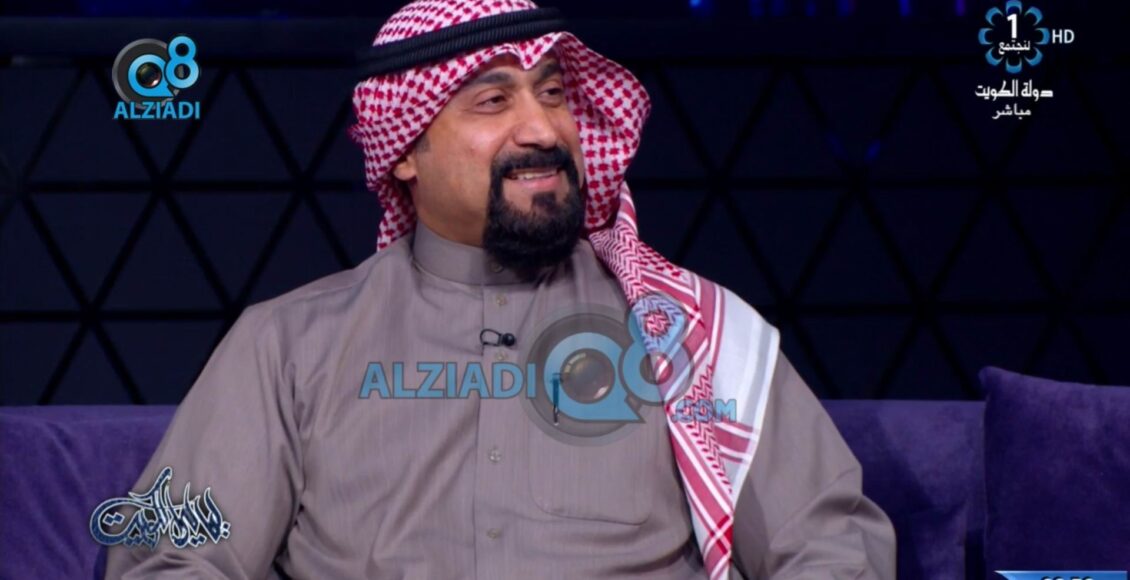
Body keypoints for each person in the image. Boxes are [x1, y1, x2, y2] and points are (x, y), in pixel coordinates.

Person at [104, 0, 896, 578]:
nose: (543, 130)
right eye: (493, 101)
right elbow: (171, 558)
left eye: (552, 94)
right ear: (404, 150)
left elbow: (830, 551)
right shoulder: (288, 345)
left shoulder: (687, 330)